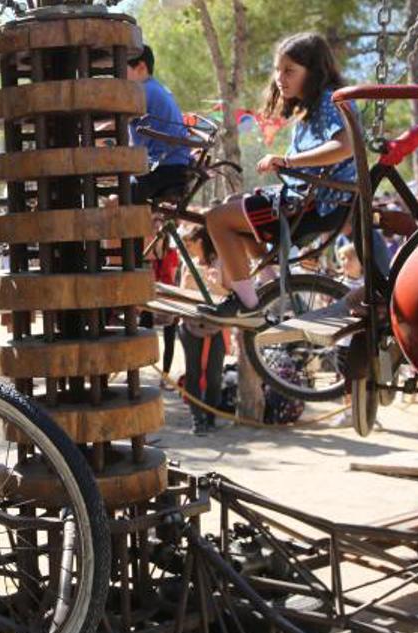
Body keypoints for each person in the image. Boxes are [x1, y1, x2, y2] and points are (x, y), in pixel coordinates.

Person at [197, 32, 357, 326]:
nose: (280, 78)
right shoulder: (313, 104)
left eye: (289, 71)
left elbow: (344, 147)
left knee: (217, 219)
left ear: (314, 72)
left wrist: (286, 161)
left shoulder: (327, 100)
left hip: (313, 205)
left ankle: (248, 305)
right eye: (277, 69)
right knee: (234, 207)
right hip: (314, 201)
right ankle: (268, 287)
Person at [126, 45, 194, 204]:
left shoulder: (142, 92)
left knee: (114, 197)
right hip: (174, 166)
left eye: (122, 70)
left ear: (141, 67)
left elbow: (115, 125)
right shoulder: (156, 88)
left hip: (162, 169)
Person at [177, 225, 227, 436]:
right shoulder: (188, 264)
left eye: (191, 243)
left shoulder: (220, 262)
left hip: (215, 326)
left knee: (215, 375)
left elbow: (228, 294)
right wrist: (187, 285)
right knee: (193, 373)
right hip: (191, 326)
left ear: (201, 242)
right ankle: (197, 419)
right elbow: (181, 296)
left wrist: (215, 285)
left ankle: (210, 416)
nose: (188, 247)